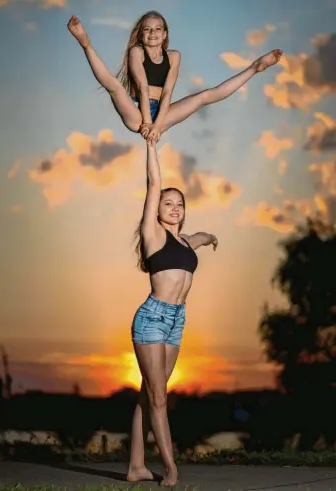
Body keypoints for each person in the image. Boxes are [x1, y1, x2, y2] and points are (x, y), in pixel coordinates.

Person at [126, 141, 218, 487]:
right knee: (158, 397)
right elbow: (153, 184)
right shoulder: (153, 235)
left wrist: (211, 237)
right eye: (168, 203)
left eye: (180, 204)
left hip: (177, 321)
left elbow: (199, 235)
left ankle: (136, 466)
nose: (175, 208)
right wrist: (152, 146)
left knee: (148, 393)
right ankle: (171, 468)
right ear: (157, 210)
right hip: (152, 318)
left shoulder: (183, 242)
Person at [67, 11, 282, 145]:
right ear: (141, 34)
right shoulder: (136, 52)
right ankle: (85, 42)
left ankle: (255, 68)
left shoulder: (174, 56)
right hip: (136, 113)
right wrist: (147, 125)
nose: (153, 33)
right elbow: (142, 86)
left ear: (165, 34)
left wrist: (158, 126)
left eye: (158, 28)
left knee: (204, 96)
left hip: (161, 113)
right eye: (147, 29)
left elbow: (168, 91)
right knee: (114, 86)